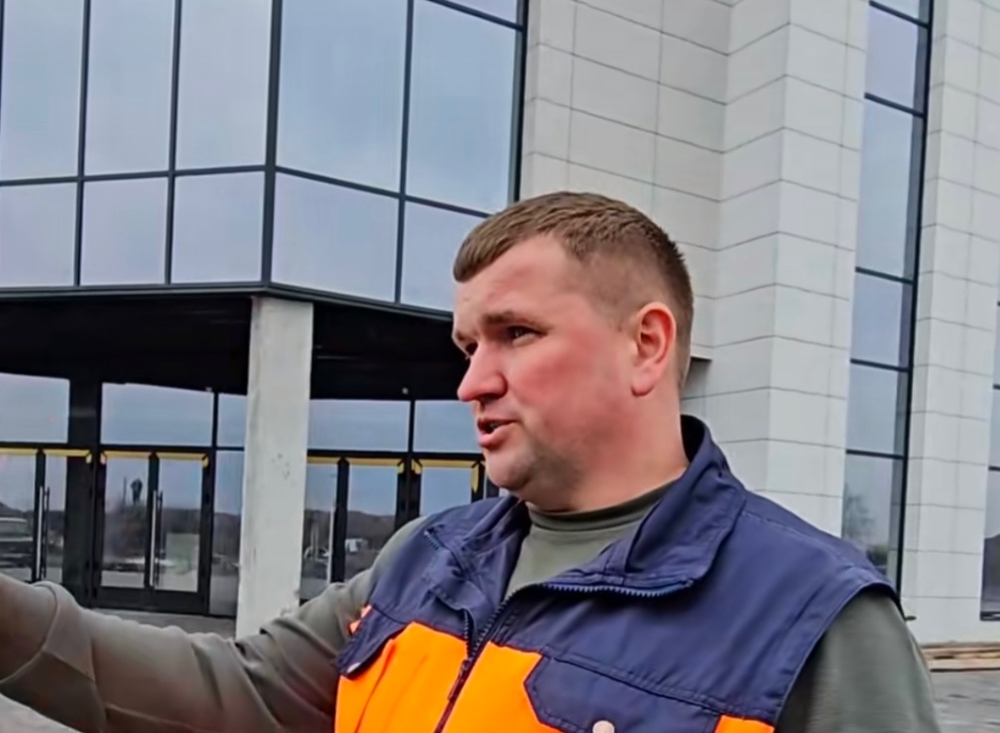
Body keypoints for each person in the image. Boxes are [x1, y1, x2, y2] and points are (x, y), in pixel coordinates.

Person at [0, 192, 940, 733]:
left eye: (516, 334)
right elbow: (236, 694)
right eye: (466, 346)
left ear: (647, 345)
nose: (472, 383)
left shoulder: (814, 621)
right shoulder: (427, 560)